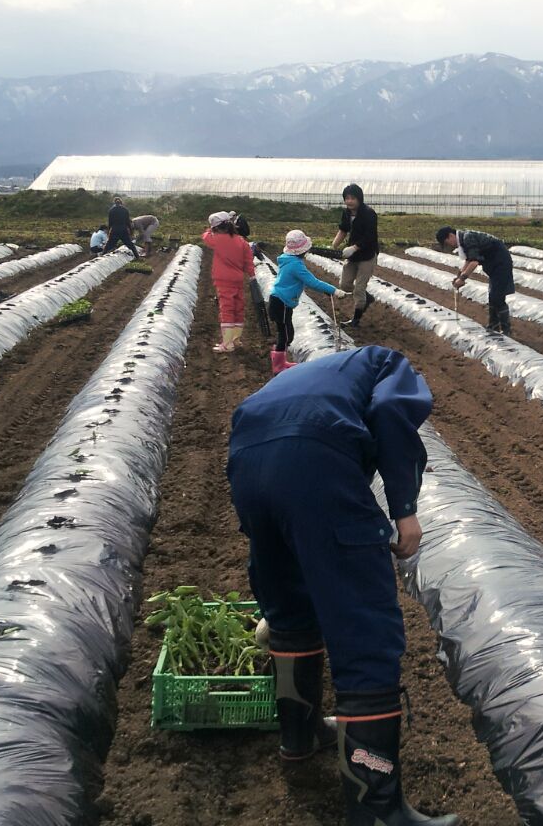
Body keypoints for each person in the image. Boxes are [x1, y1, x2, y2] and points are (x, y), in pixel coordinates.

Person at [227, 346, 458, 826]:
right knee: (366, 636)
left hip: (247, 460)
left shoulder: (312, 375)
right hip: (314, 461)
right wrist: (404, 507)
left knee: (290, 612)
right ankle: (375, 807)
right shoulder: (389, 362)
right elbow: (394, 412)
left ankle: (300, 737)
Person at [268, 229, 349, 373]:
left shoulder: (288, 260)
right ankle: (278, 365)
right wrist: (334, 290)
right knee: (286, 335)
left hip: (279, 301)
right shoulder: (296, 265)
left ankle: (280, 361)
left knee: (286, 333)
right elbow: (313, 282)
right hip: (281, 303)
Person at [435, 225, 515, 336]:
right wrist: (459, 276)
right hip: (494, 265)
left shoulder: (468, 238)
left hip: (501, 264)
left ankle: (506, 330)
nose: (450, 245)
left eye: (447, 242)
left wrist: (462, 279)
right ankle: (493, 326)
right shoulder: (464, 239)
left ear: (450, 236)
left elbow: (474, 262)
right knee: (493, 296)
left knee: (497, 297)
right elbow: (469, 260)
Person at [202, 211, 256, 353]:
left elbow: (205, 237)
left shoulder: (216, 239)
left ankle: (227, 343)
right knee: (238, 309)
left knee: (226, 310)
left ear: (216, 228)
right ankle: (236, 340)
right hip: (237, 279)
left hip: (223, 280)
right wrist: (251, 275)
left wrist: (209, 229)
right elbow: (248, 260)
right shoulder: (241, 241)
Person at [330, 183, 379, 328]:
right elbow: (343, 230)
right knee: (344, 284)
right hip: (352, 256)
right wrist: (333, 245)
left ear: (359, 199)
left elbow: (370, 236)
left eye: (352, 198)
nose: (349, 201)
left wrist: (355, 247)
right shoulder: (346, 213)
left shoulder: (369, 213)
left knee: (359, 288)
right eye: (347, 198)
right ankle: (367, 298)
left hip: (367, 254)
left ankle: (355, 320)